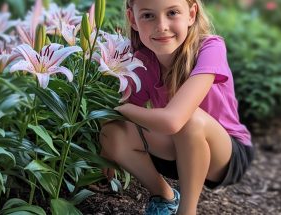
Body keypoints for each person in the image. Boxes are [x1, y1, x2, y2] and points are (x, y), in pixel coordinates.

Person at [99, 0, 254, 214]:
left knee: (189, 120)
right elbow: (125, 122)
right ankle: (164, 197)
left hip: (225, 155)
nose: (161, 25)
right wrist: (107, 147)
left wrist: (117, 109)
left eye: (172, 12)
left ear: (191, 14)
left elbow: (173, 120)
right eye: (148, 15)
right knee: (112, 133)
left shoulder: (210, 48)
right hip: (176, 151)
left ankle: (186, 211)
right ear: (133, 19)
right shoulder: (143, 61)